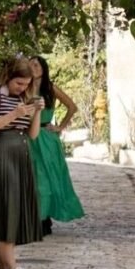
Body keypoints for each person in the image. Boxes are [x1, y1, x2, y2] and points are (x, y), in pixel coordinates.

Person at [0, 58, 45, 269]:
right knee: (5, 207)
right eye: (18, 83)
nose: (22, 88)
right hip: (3, 155)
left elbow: (33, 135)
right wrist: (13, 115)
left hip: (21, 155)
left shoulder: (24, 98)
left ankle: (4, 268)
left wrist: (36, 112)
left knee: (13, 207)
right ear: (8, 77)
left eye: (26, 84)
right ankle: (11, 268)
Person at [30, 57, 86, 231]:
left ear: (43, 68)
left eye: (36, 64)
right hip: (29, 137)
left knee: (47, 179)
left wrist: (60, 127)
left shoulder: (50, 88)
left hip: (46, 138)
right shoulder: (24, 86)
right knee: (34, 179)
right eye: (30, 64)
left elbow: (72, 106)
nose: (32, 67)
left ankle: (43, 219)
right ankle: (40, 217)